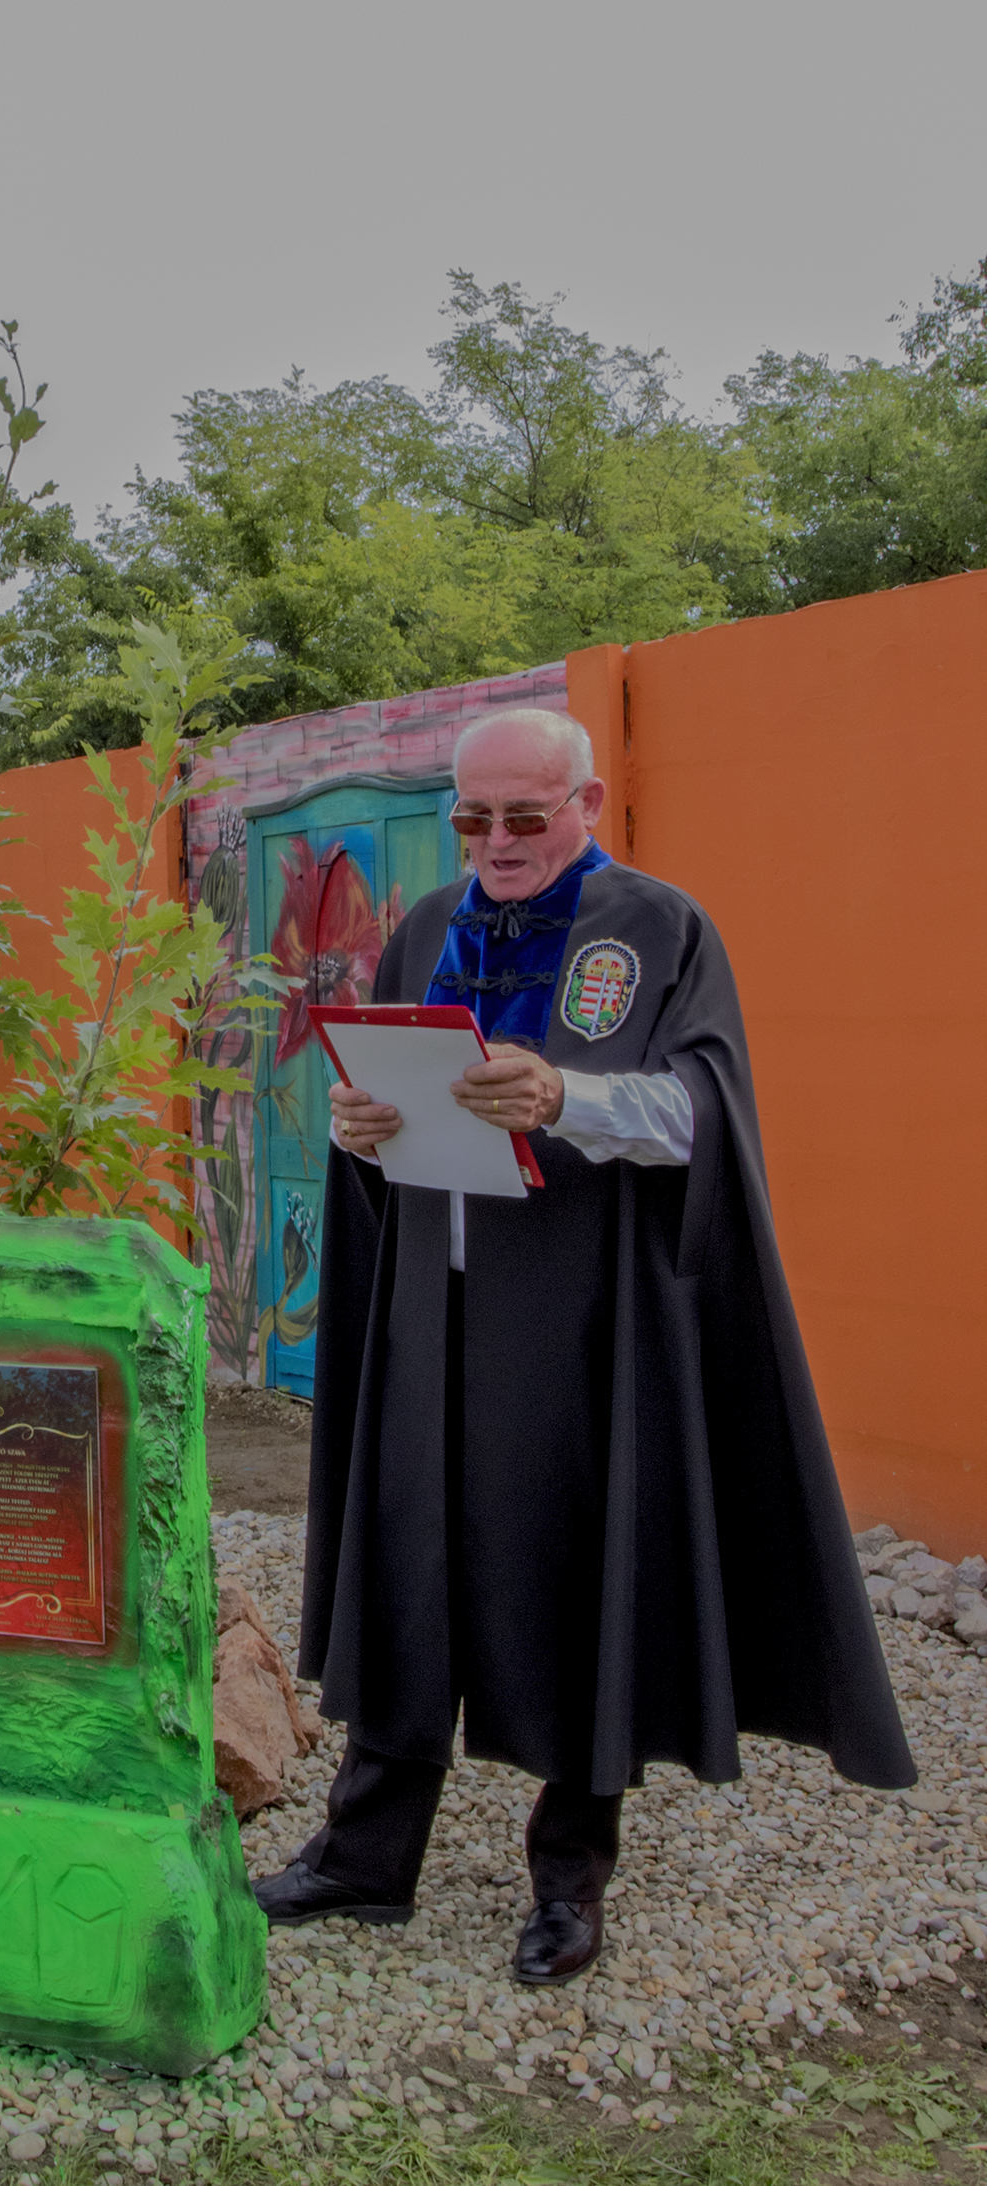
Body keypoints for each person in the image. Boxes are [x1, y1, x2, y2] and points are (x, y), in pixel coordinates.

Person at [252, 706, 913, 1983]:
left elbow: (702, 1111)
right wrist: (353, 1127)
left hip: (576, 1319)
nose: (497, 841)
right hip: (431, 1304)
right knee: (404, 1562)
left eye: (525, 815)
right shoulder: (424, 929)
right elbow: (386, 1102)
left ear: (587, 803)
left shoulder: (659, 929)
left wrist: (568, 1096)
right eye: (474, 817)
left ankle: (568, 1879)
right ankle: (365, 1854)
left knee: (573, 1568)